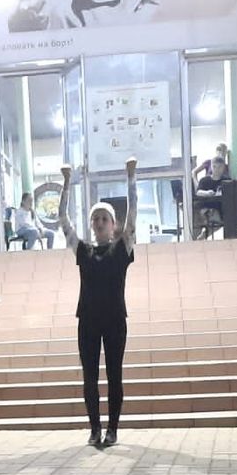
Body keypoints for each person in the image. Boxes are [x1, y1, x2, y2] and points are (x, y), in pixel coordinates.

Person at [59, 157, 137, 449]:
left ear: (113, 224)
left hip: (115, 319)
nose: (100, 222)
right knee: (89, 377)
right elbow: (63, 220)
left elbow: (133, 215)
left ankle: (112, 430)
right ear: (91, 224)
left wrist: (131, 177)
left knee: (114, 375)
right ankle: (94, 429)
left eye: (105, 219)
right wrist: (67, 183)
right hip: (88, 320)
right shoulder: (83, 250)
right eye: (96, 219)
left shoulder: (122, 248)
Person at [194, 157, 229, 240]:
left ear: (223, 167)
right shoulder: (204, 180)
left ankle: (204, 234)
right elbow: (198, 192)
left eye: (220, 167)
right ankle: (204, 234)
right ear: (211, 167)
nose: (217, 169)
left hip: (221, 208)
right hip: (206, 206)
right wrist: (207, 193)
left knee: (220, 221)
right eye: (214, 166)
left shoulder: (227, 180)